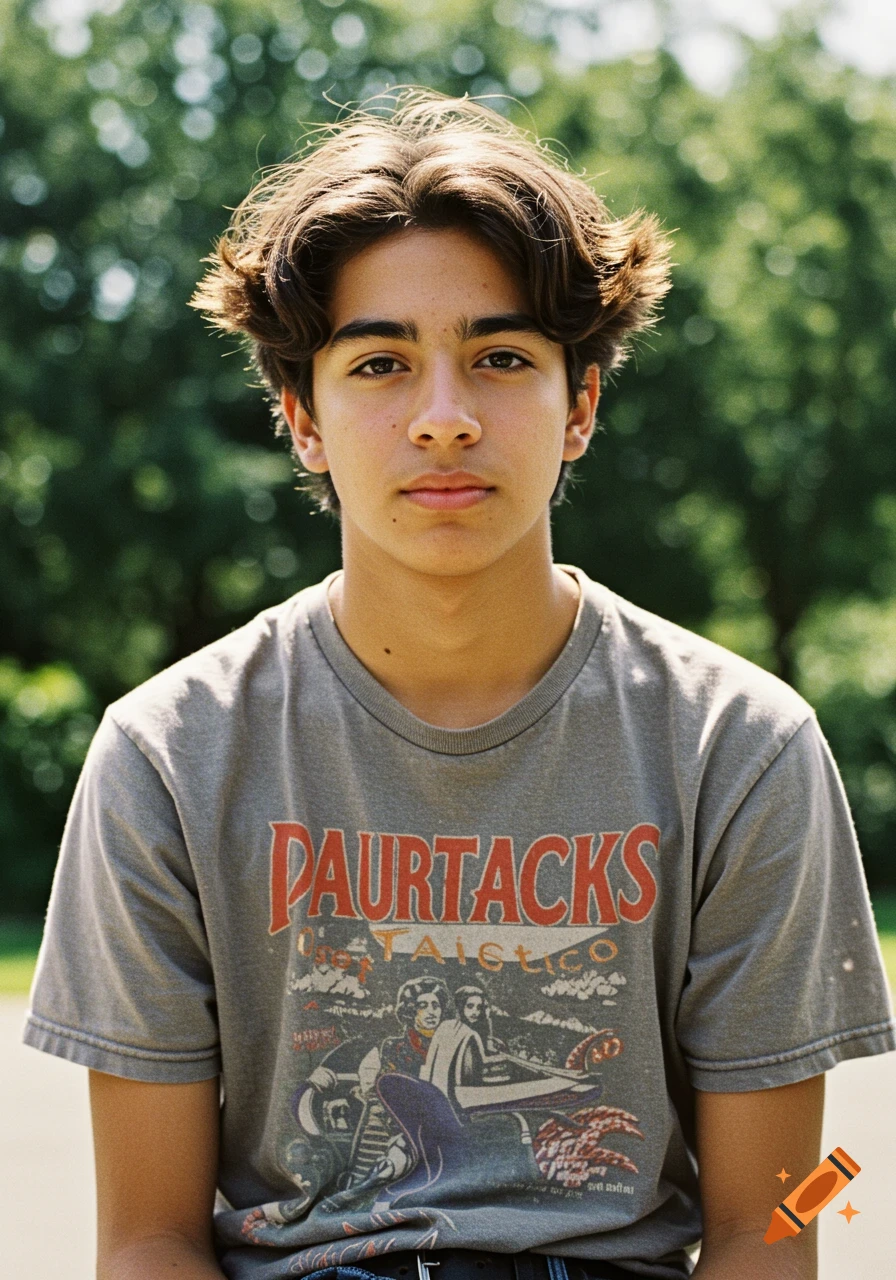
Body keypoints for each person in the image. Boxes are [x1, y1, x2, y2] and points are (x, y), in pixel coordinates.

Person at [24, 89, 894, 1280]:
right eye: (380, 362)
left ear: (578, 404)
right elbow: (146, 1240)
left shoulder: (738, 747)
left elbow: (774, 1220)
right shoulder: (169, 756)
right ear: (301, 417)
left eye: (498, 357)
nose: (442, 418)